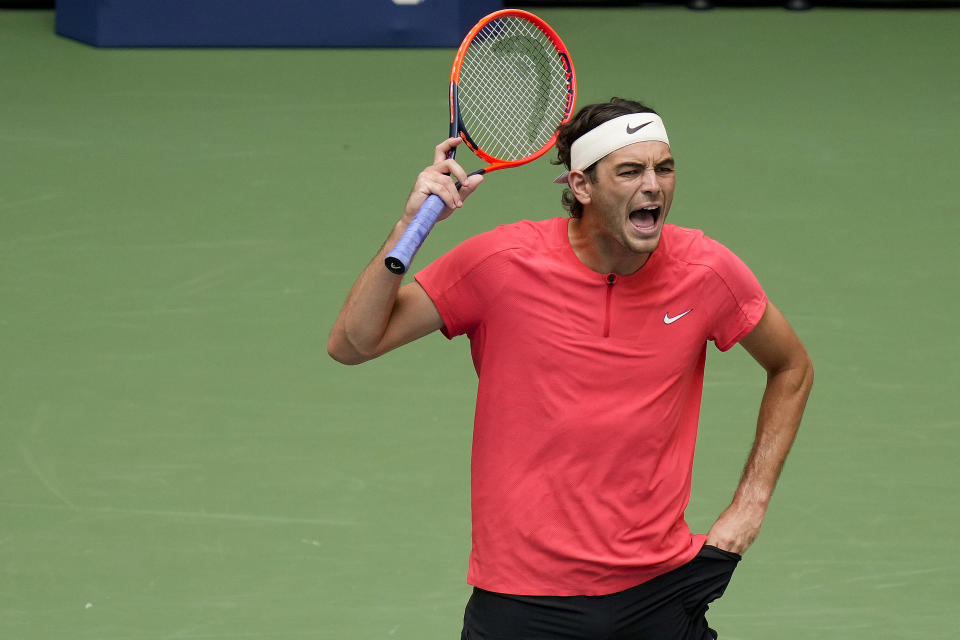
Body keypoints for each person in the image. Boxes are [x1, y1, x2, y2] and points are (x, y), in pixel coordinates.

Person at [328, 97, 813, 639]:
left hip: (659, 586)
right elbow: (354, 343)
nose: (653, 185)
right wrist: (409, 225)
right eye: (630, 170)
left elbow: (791, 367)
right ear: (582, 187)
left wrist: (750, 505)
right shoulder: (502, 264)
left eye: (665, 167)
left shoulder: (705, 270)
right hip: (522, 599)